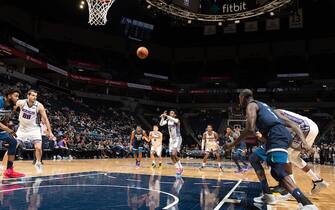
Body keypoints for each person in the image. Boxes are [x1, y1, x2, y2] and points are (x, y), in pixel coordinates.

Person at [227, 89, 317, 210]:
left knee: (277, 172)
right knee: (254, 158)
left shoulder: (251, 105)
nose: (239, 102)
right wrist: (303, 144)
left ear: (243, 98)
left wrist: (233, 144)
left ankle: (306, 203)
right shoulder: (266, 107)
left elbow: (250, 128)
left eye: (239, 99)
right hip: (279, 136)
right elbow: (292, 124)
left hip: (276, 136)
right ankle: (267, 194)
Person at [274, 109, 328, 195]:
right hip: (312, 127)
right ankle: (317, 181)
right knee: (293, 158)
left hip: (305, 127)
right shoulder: (274, 117)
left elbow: (292, 127)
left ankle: (291, 188)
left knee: (286, 155)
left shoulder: (275, 112)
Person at [14, 89, 54, 174]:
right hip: (22, 128)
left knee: (38, 148)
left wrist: (50, 132)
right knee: (13, 146)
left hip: (34, 128)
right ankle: (4, 164)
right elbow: (12, 109)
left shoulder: (39, 106)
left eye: (36, 96)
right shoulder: (21, 102)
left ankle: (38, 163)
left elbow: (46, 119)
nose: (34, 97)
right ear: (28, 96)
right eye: (32, 95)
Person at [0, 88, 25, 178]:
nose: (17, 98)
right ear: (9, 95)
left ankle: (9, 171)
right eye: (16, 96)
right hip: (2, 128)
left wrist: (8, 126)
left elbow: (5, 119)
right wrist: (8, 129)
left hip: (1, 130)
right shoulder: (0, 101)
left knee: (13, 142)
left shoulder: (11, 106)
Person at [160, 110, 183, 177]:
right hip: (171, 139)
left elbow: (174, 120)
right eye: (170, 113)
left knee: (174, 153)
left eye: (172, 113)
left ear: (175, 115)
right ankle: (178, 168)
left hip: (177, 138)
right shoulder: (168, 120)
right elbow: (161, 124)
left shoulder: (177, 120)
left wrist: (166, 115)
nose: (171, 114)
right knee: (171, 155)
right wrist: (162, 117)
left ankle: (180, 168)